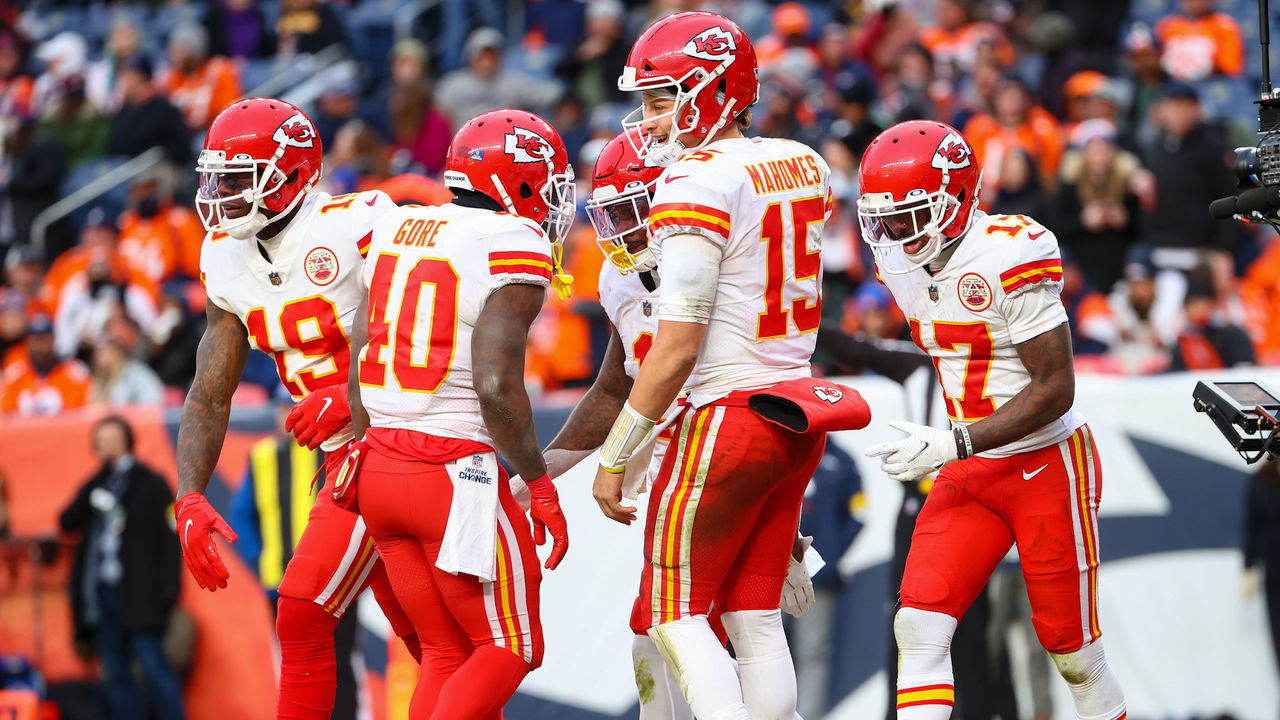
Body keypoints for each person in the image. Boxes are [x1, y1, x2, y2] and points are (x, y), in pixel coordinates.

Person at [590, 13, 861, 720]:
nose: (647, 121)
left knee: (675, 615)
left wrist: (617, 456)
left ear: (711, 89)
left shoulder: (693, 180)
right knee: (755, 619)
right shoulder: (803, 160)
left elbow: (677, 346)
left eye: (659, 99)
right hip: (796, 411)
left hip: (724, 418)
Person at [858, 120, 1127, 720]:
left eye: (909, 212)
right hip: (971, 467)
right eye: (885, 216)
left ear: (957, 198)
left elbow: (1055, 387)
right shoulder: (897, 264)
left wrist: (958, 439)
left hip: (1047, 464)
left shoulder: (1010, 251)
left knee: (1074, 652)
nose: (896, 231)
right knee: (918, 626)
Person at [173, 97, 417, 720]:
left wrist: (353, 395)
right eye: (216, 176)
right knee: (405, 631)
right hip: (344, 461)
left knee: (414, 631)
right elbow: (209, 388)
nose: (221, 193)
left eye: (238, 177)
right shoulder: (224, 255)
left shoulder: (357, 221)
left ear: (295, 173)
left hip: (407, 438)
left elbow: (427, 328)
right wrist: (191, 494)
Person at [347, 108, 574, 719]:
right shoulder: (513, 241)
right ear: (521, 178)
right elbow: (497, 387)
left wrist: (357, 436)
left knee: (446, 649)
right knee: (513, 644)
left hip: (381, 466)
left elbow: (361, 344)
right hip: (450, 471)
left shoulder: (399, 227)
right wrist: (540, 481)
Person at [59, 416, 184, 720]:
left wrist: (169, 590)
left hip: (142, 595)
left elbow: (171, 540)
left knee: (154, 668)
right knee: (115, 674)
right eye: (102, 438)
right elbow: (66, 522)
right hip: (104, 593)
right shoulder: (97, 484)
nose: (108, 444)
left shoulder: (151, 483)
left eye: (114, 437)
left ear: (128, 439)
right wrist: (98, 479)